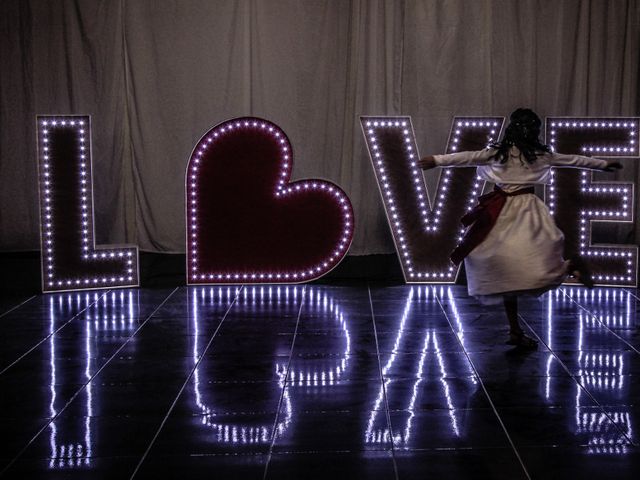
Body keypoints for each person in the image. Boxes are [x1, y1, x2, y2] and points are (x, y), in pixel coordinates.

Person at [418, 108, 622, 349]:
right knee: (516, 269)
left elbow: (468, 157)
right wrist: (602, 164)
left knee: (512, 269)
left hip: (508, 214)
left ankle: (565, 272)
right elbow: (573, 160)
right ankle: (518, 327)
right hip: (521, 212)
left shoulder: (502, 153)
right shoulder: (535, 154)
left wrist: (436, 160)